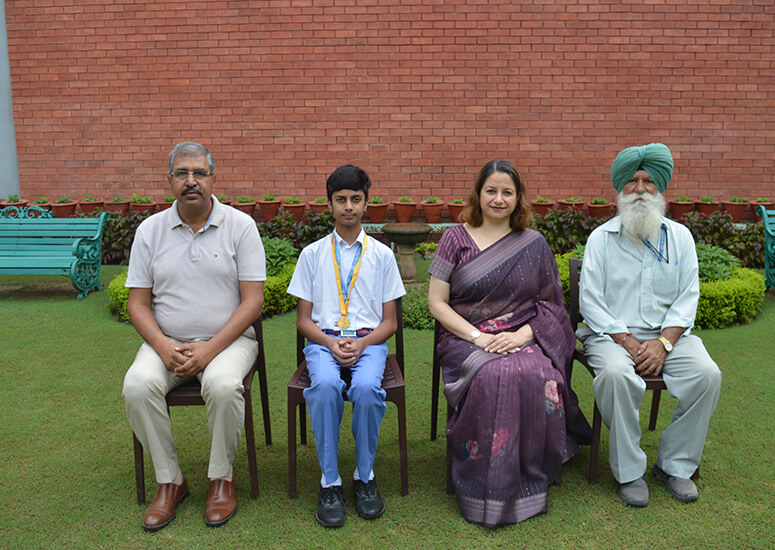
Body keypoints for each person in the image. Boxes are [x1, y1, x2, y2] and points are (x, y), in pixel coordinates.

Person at [428, 160, 591, 527]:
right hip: (465, 337)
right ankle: (481, 478)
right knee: (491, 376)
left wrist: (520, 336)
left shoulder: (533, 243)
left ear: (518, 199)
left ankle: (529, 470)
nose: (498, 199)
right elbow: (437, 302)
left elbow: (551, 306)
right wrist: (479, 337)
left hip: (521, 332)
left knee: (536, 372)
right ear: (478, 194)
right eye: (491, 191)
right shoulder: (455, 237)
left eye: (507, 192)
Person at [122, 142, 266, 530]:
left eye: (199, 173)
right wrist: (164, 346)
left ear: (213, 178)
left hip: (229, 342)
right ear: (169, 180)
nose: (191, 182)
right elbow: (137, 304)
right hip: (166, 340)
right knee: (137, 385)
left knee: (221, 385)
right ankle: (171, 482)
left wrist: (209, 350)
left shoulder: (241, 226)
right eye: (182, 173)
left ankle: (221, 480)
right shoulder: (150, 231)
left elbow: (253, 302)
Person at [577, 143, 722, 507]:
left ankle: (675, 465)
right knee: (615, 375)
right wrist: (628, 342)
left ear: (661, 188)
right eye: (632, 181)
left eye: (648, 182)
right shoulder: (601, 240)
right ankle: (630, 472)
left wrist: (663, 343)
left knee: (707, 374)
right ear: (619, 189)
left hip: (669, 338)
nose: (640, 189)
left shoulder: (680, 238)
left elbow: (688, 297)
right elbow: (591, 302)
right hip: (611, 337)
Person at [287, 164, 405, 528]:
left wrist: (360, 342)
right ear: (329, 205)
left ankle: (364, 477)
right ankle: (330, 482)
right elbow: (303, 320)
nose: (349, 207)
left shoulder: (382, 255)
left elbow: (390, 322)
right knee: (322, 386)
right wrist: (331, 342)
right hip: (324, 342)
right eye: (341, 200)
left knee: (368, 388)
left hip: (368, 341)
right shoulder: (312, 254)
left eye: (356, 199)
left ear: (366, 203)